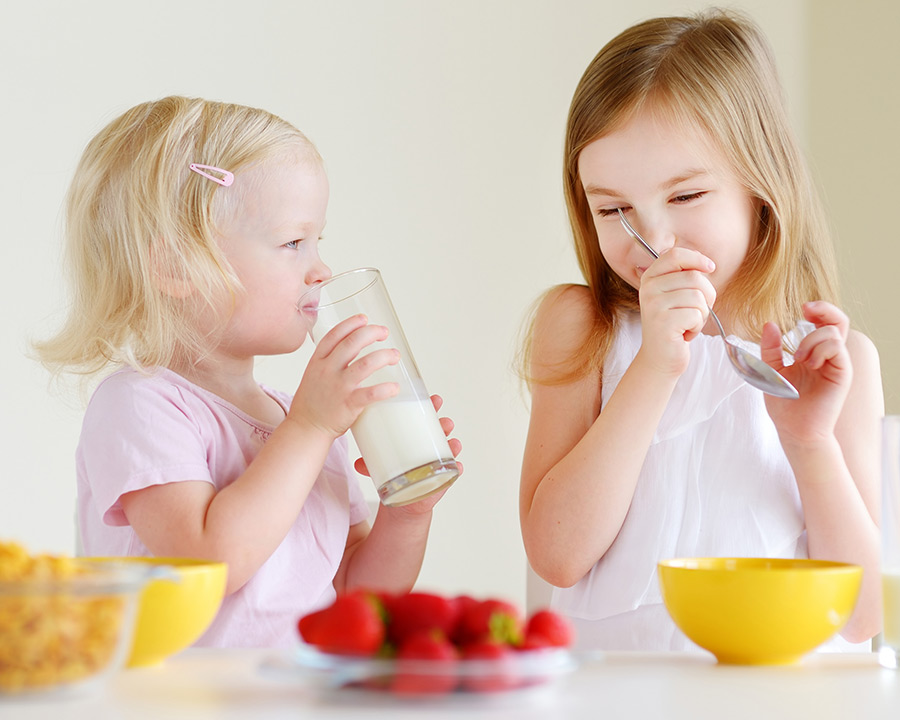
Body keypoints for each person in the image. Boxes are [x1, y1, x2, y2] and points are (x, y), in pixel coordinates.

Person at [35, 96, 461, 648]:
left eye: (318, 241)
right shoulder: (139, 405)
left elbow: (358, 595)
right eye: (292, 243)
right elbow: (209, 564)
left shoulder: (303, 416)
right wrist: (309, 428)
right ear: (174, 267)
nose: (321, 270)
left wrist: (406, 514)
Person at [518, 10, 883, 651]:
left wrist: (809, 440)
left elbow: (859, 618)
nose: (653, 241)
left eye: (685, 197)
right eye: (613, 209)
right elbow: (557, 556)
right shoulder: (584, 327)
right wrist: (654, 368)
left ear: (759, 185)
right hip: (612, 691)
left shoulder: (835, 360)